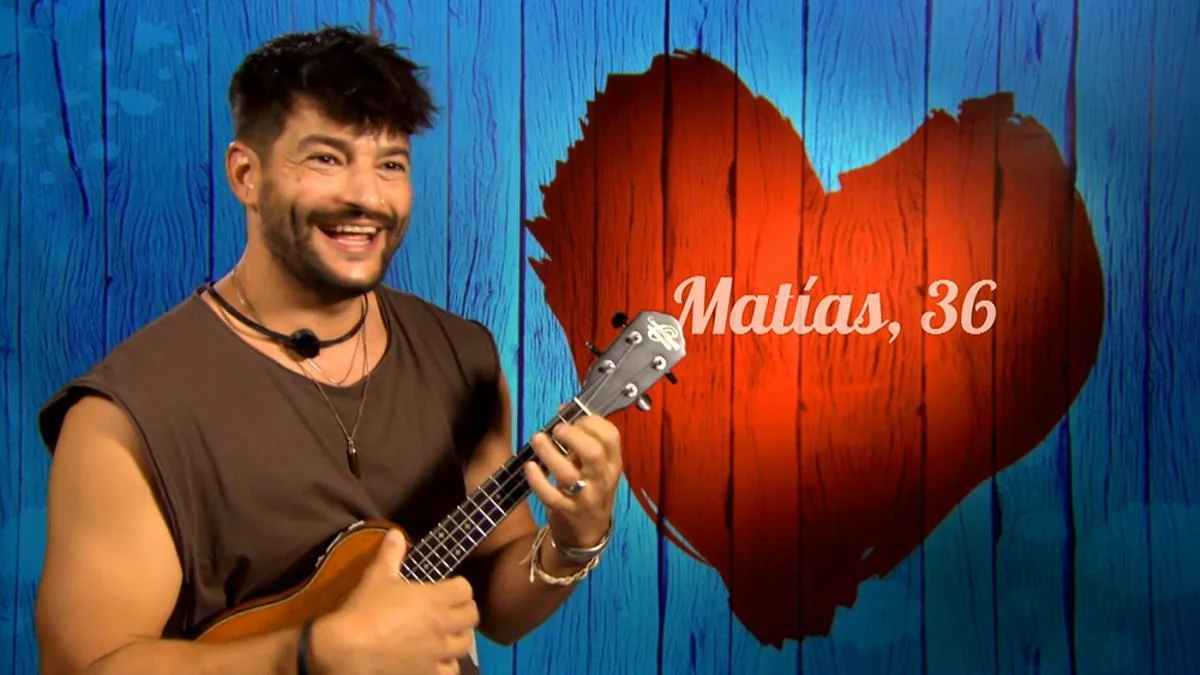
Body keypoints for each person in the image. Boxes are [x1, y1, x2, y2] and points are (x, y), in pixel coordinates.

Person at [34, 26, 623, 675]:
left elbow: (496, 605)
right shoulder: (129, 414)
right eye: (326, 159)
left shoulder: (463, 357)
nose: (366, 198)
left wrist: (574, 540)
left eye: (390, 164)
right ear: (246, 175)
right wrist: (311, 654)